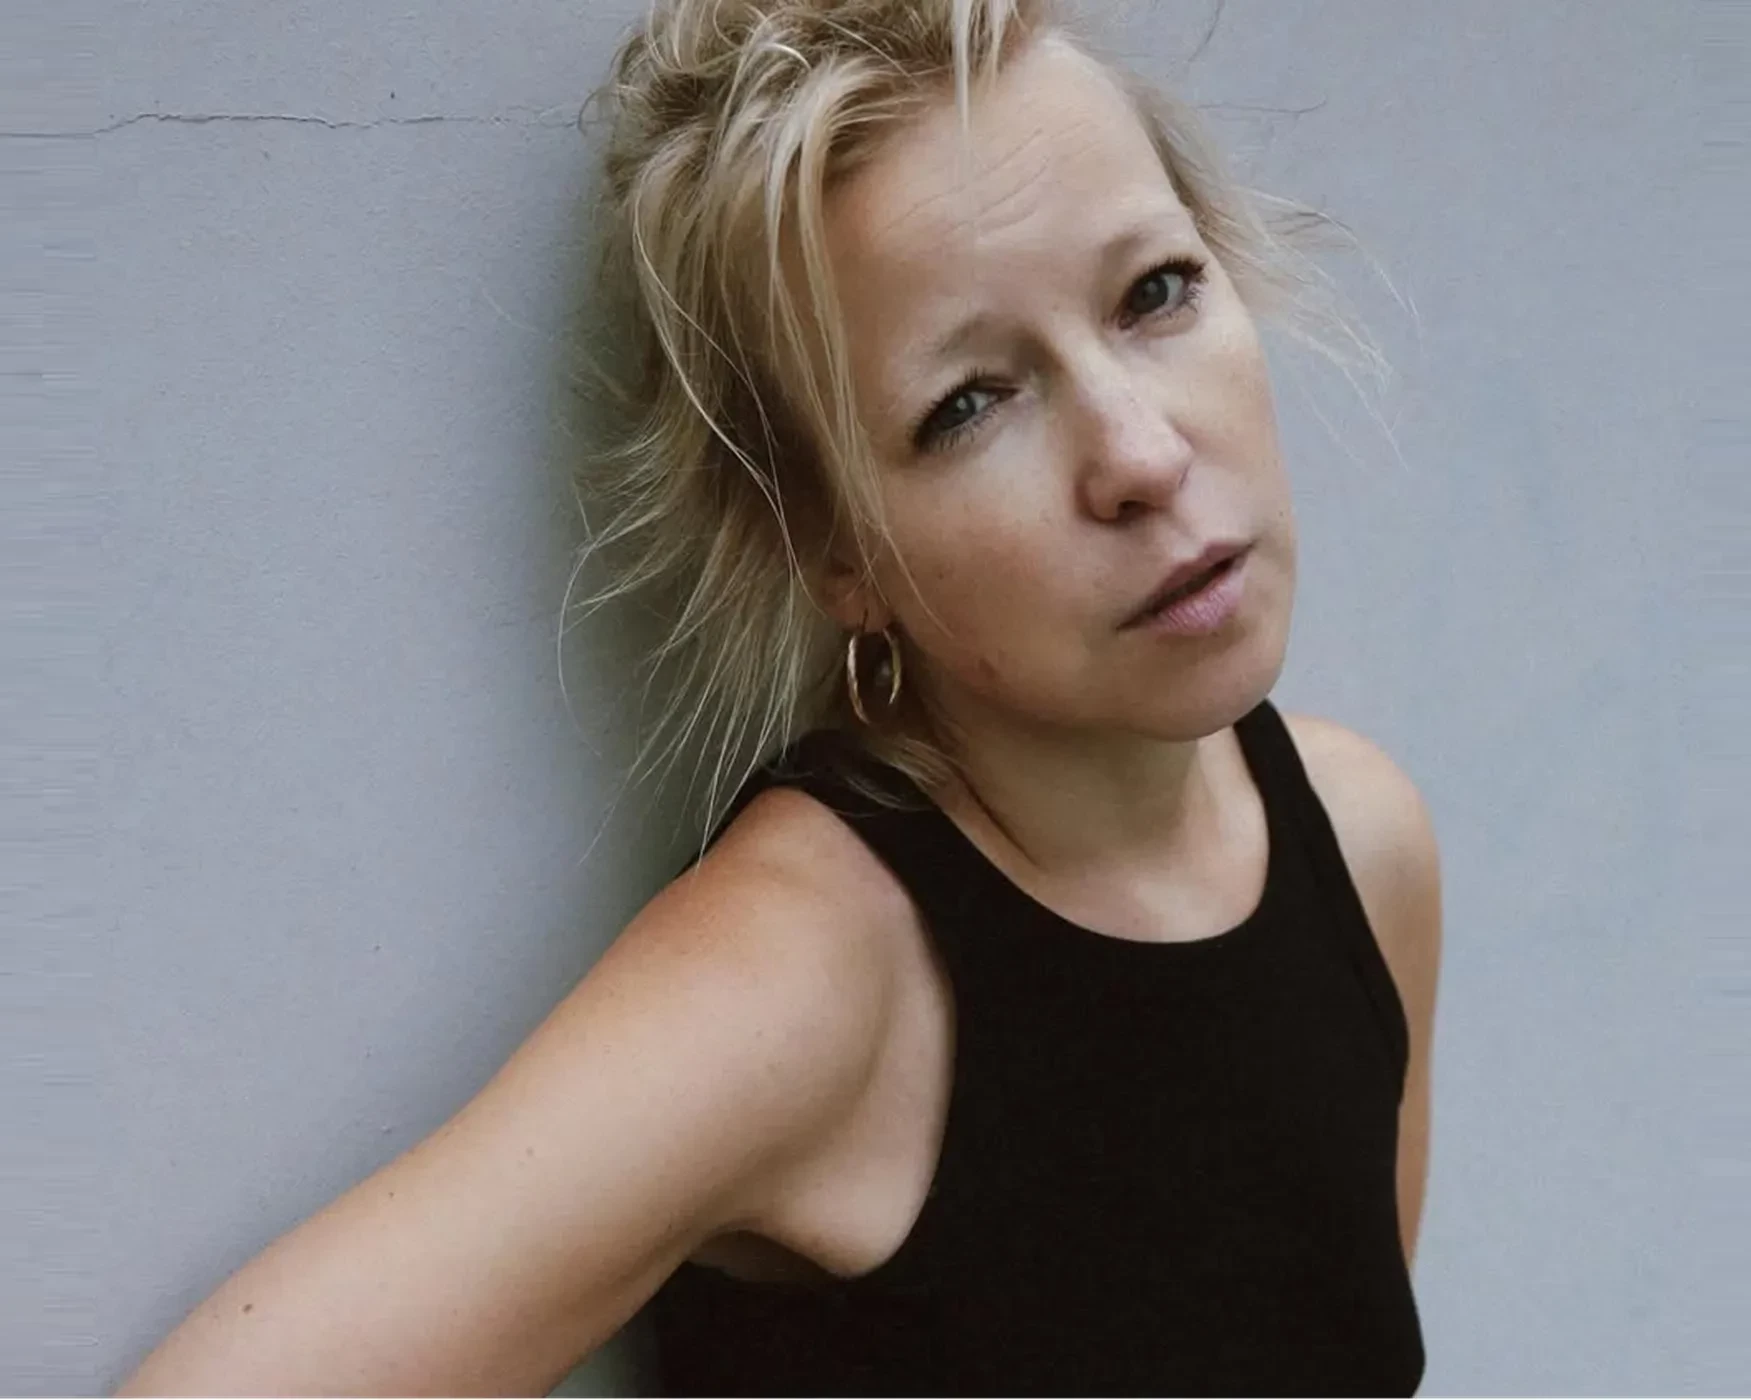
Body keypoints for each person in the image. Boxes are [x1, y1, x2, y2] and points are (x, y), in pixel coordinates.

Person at [120, 0, 1443, 1393]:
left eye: (1155, 292)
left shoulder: (1362, 844)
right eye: (969, 404)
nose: (1140, 456)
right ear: (833, 549)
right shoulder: (816, 973)